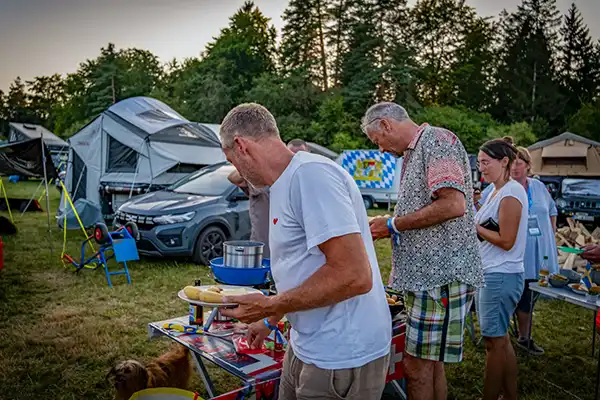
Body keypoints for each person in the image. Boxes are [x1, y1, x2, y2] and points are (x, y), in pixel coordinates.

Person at [218, 103, 391, 400]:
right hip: (307, 344)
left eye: (232, 160)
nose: (238, 172)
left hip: (342, 353)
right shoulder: (284, 182)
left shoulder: (311, 176)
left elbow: (354, 275)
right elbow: (304, 266)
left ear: (240, 146)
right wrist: (272, 319)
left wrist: (270, 305)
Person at [365, 102, 483, 400]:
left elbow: (453, 204)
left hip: (439, 276)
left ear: (386, 125)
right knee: (432, 366)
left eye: (377, 141)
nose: (380, 150)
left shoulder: (438, 141)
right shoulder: (416, 151)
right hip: (429, 277)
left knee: (415, 368)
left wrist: (392, 224)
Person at [481, 139, 558, 355]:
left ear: (527, 166)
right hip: (511, 255)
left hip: (535, 250)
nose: (515, 167)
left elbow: (552, 210)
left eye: (520, 163)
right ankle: (512, 336)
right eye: (513, 162)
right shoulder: (497, 190)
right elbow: (487, 214)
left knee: (529, 292)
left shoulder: (538, 187)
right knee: (517, 292)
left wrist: (550, 235)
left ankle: (523, 336)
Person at [475, 139, 528, 400]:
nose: (481, 168)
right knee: (501, 340)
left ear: (504, 162)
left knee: (493, 344)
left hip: (500, 275)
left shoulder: (511, 193)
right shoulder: (496, 192)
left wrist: (473, 227)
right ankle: (510, 396)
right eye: (479, 162)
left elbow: (507, 241)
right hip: (492, 273)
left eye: (486, 162)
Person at [227, 139, 310, 258]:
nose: (295, 160)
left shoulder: (308, 184)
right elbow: (233, 178)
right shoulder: (264, 180)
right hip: (262, 250)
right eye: (291, 155)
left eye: (300, 155)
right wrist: (260, 164)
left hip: (292, 254)